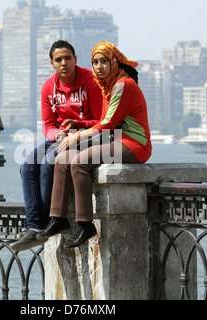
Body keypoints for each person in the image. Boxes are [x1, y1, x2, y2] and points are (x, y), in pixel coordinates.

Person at [36, 41, 152, 248]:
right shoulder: (106, 85)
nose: (99, 67)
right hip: (115, 139)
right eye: (95, 62)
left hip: (135, 144)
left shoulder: (122, 85)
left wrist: (76, 137)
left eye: (104, 62)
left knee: (79, 162)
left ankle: (85, 223)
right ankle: (58, 218)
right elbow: (103, 121)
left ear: (114, 62)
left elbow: (107, 124)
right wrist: (78, 124)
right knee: (62, 158)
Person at [11, 40, 102, 251]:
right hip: (60, 138)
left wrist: (77, 128)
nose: (64, 63)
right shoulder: (48, 88)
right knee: (27, 164)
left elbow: (100, 121)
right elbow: (48, 125)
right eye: (58, 60)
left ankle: (47, 224)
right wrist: (56, 134)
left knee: (49, 162)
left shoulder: (91, 81)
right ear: (51, 63)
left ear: (76, 59)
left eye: (68, 58)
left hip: (86, 137)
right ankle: (34, 226)